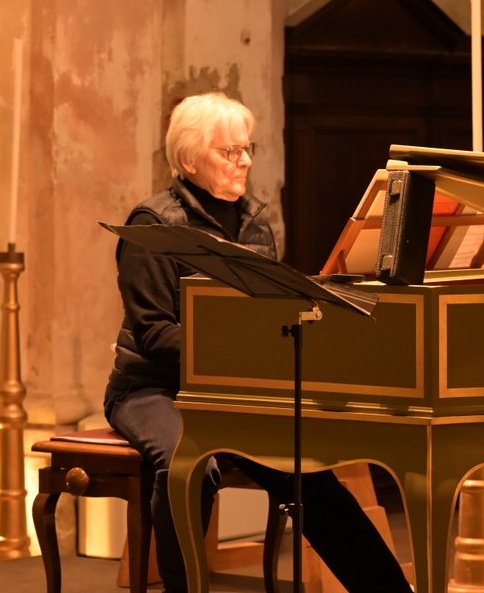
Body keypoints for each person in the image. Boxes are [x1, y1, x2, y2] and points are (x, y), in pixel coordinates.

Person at [104, 91, 413, 593]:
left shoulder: (253, 222)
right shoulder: (152, 224)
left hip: (229, 389)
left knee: (308, 471)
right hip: (152, 389)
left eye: (248, 148)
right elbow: (155, 334)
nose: (245, 160)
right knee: (188, 464)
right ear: (189, 159)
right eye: (230, 151)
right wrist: (240, 354)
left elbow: (265, 314)